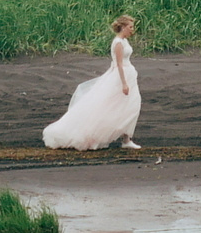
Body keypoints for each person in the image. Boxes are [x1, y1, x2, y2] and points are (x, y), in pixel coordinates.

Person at [42, 16, 144, 150]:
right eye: (130, 27)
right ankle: (99, 135)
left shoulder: (124, 41)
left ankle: (127, 139)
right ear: (123, 27)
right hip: (121, 76)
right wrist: (124, 83)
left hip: (129, 75)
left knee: (131, 105)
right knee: (112, 106)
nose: (132, 30)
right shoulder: (118, 42)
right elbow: (118, 64)